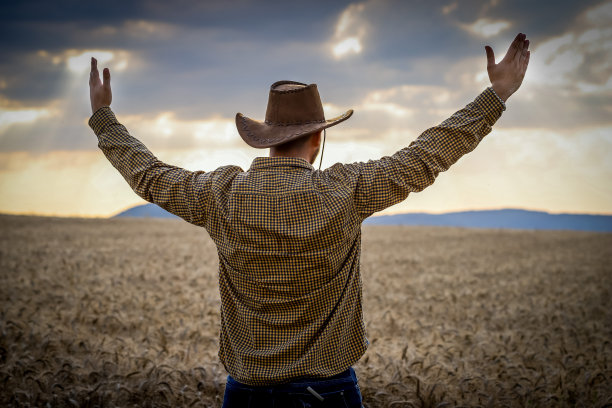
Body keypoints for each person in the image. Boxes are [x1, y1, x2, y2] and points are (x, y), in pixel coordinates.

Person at [88, 33, 530, 407]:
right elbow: (426, 156)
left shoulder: (221, 195)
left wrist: (105, 119)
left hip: (248, 394)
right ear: (318, 138)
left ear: (265, 139)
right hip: (330, 392)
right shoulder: (346, 190)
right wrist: (496, 96)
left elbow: (149, 175)